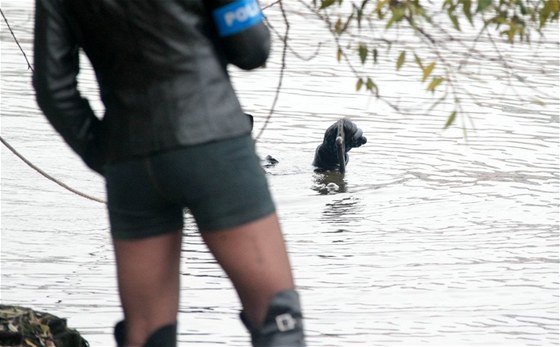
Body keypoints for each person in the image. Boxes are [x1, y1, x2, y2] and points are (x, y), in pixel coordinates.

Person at [32, 1, 305, 346]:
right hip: (215, 145)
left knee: (146, 334)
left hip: (129, 160)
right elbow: (252, 49)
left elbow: (52, 88)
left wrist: (105, 155)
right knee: (276, 318)